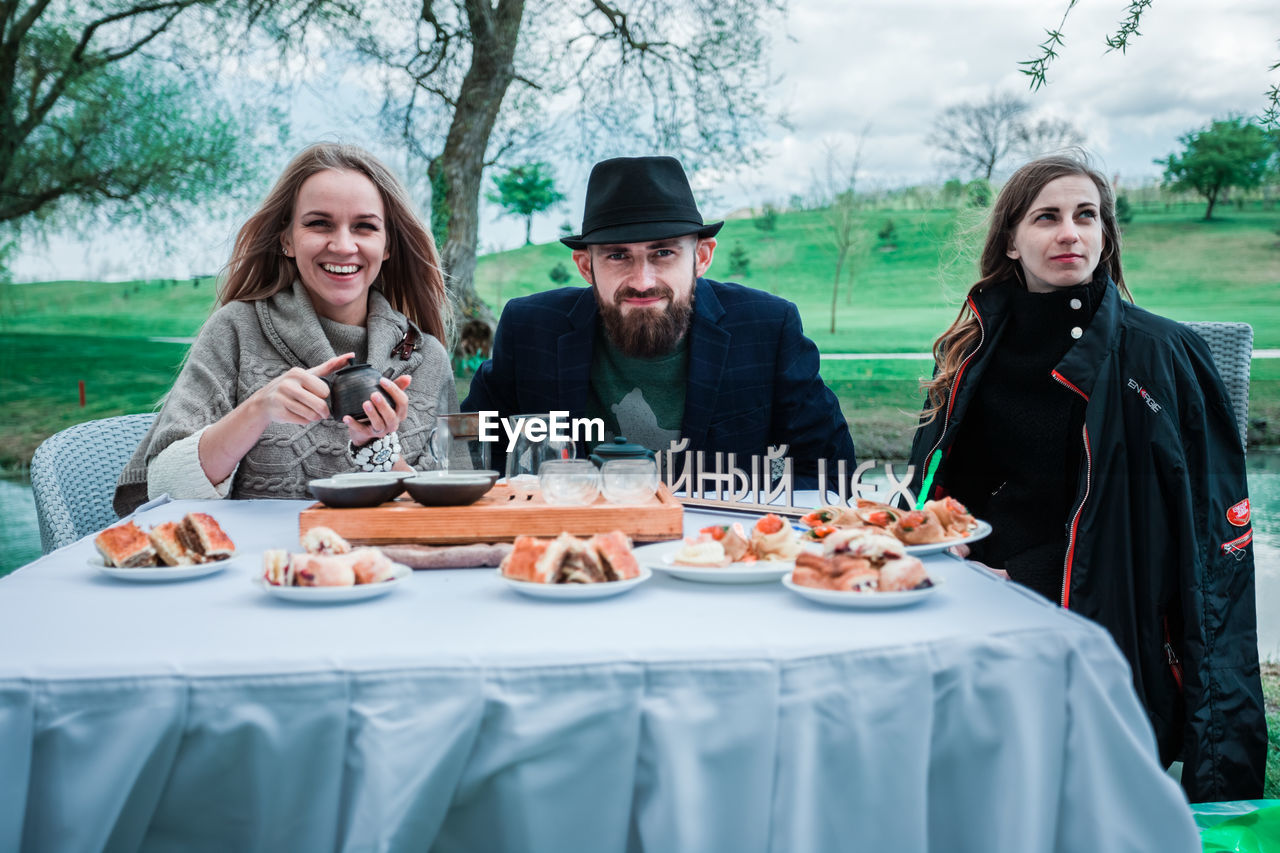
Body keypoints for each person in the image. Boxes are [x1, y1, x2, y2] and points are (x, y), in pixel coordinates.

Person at [907, 153, 1265, 801]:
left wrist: (1026, 577)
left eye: (1086, 215)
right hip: (974, 590)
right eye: (1047, 217)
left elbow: (1203, 546)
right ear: (1011, 242)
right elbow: (945, 491)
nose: (1070, 232)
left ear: (1105, 235)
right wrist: (945, 543)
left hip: (1110, 616)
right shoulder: (970, 350)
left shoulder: (1164, 355)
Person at [462, 155, 855, 482]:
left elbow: (830, 471)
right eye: (618, 255)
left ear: (701, 257)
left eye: (663, 253)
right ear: (586, 266)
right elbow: (468, 456)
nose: (642, 280)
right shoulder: (530, 329)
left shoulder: (768, 328)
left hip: (714, 554)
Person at [114, 143, 457, 514]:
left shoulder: (425, 359)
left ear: (387, 244)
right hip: (252, 568)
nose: (343, 246)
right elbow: (161, 486)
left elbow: (455, 514)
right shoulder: (237, 330)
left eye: (364, 227)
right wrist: (258, 409)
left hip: (382, 570)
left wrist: (376, 450)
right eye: (318, 224)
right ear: (287, 239)